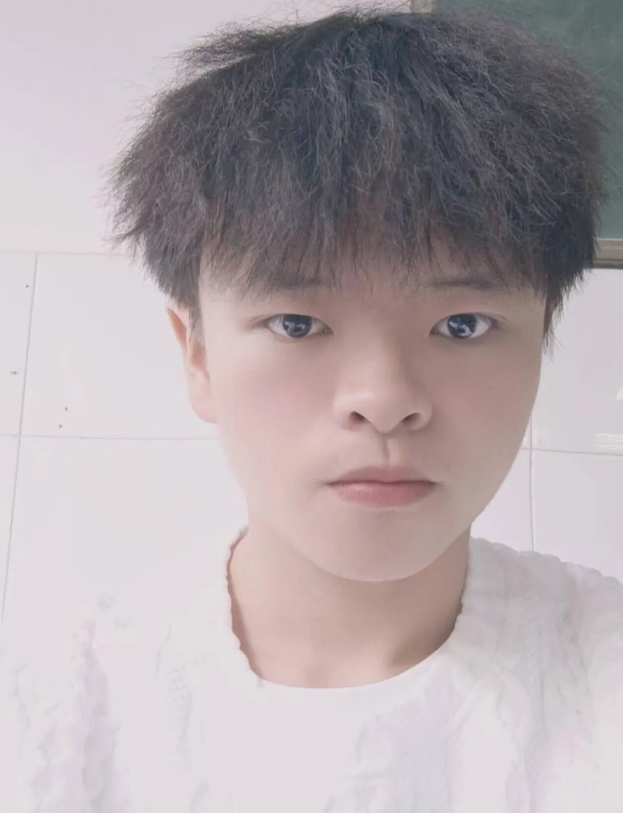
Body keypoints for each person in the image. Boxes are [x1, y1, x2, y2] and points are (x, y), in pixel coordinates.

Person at [1, 4, 622, 811]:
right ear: (197, 353)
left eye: (461, 324)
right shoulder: (50, 710)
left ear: (539, 338)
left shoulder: (600, 671)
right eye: (297, 323)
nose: (384, 401)